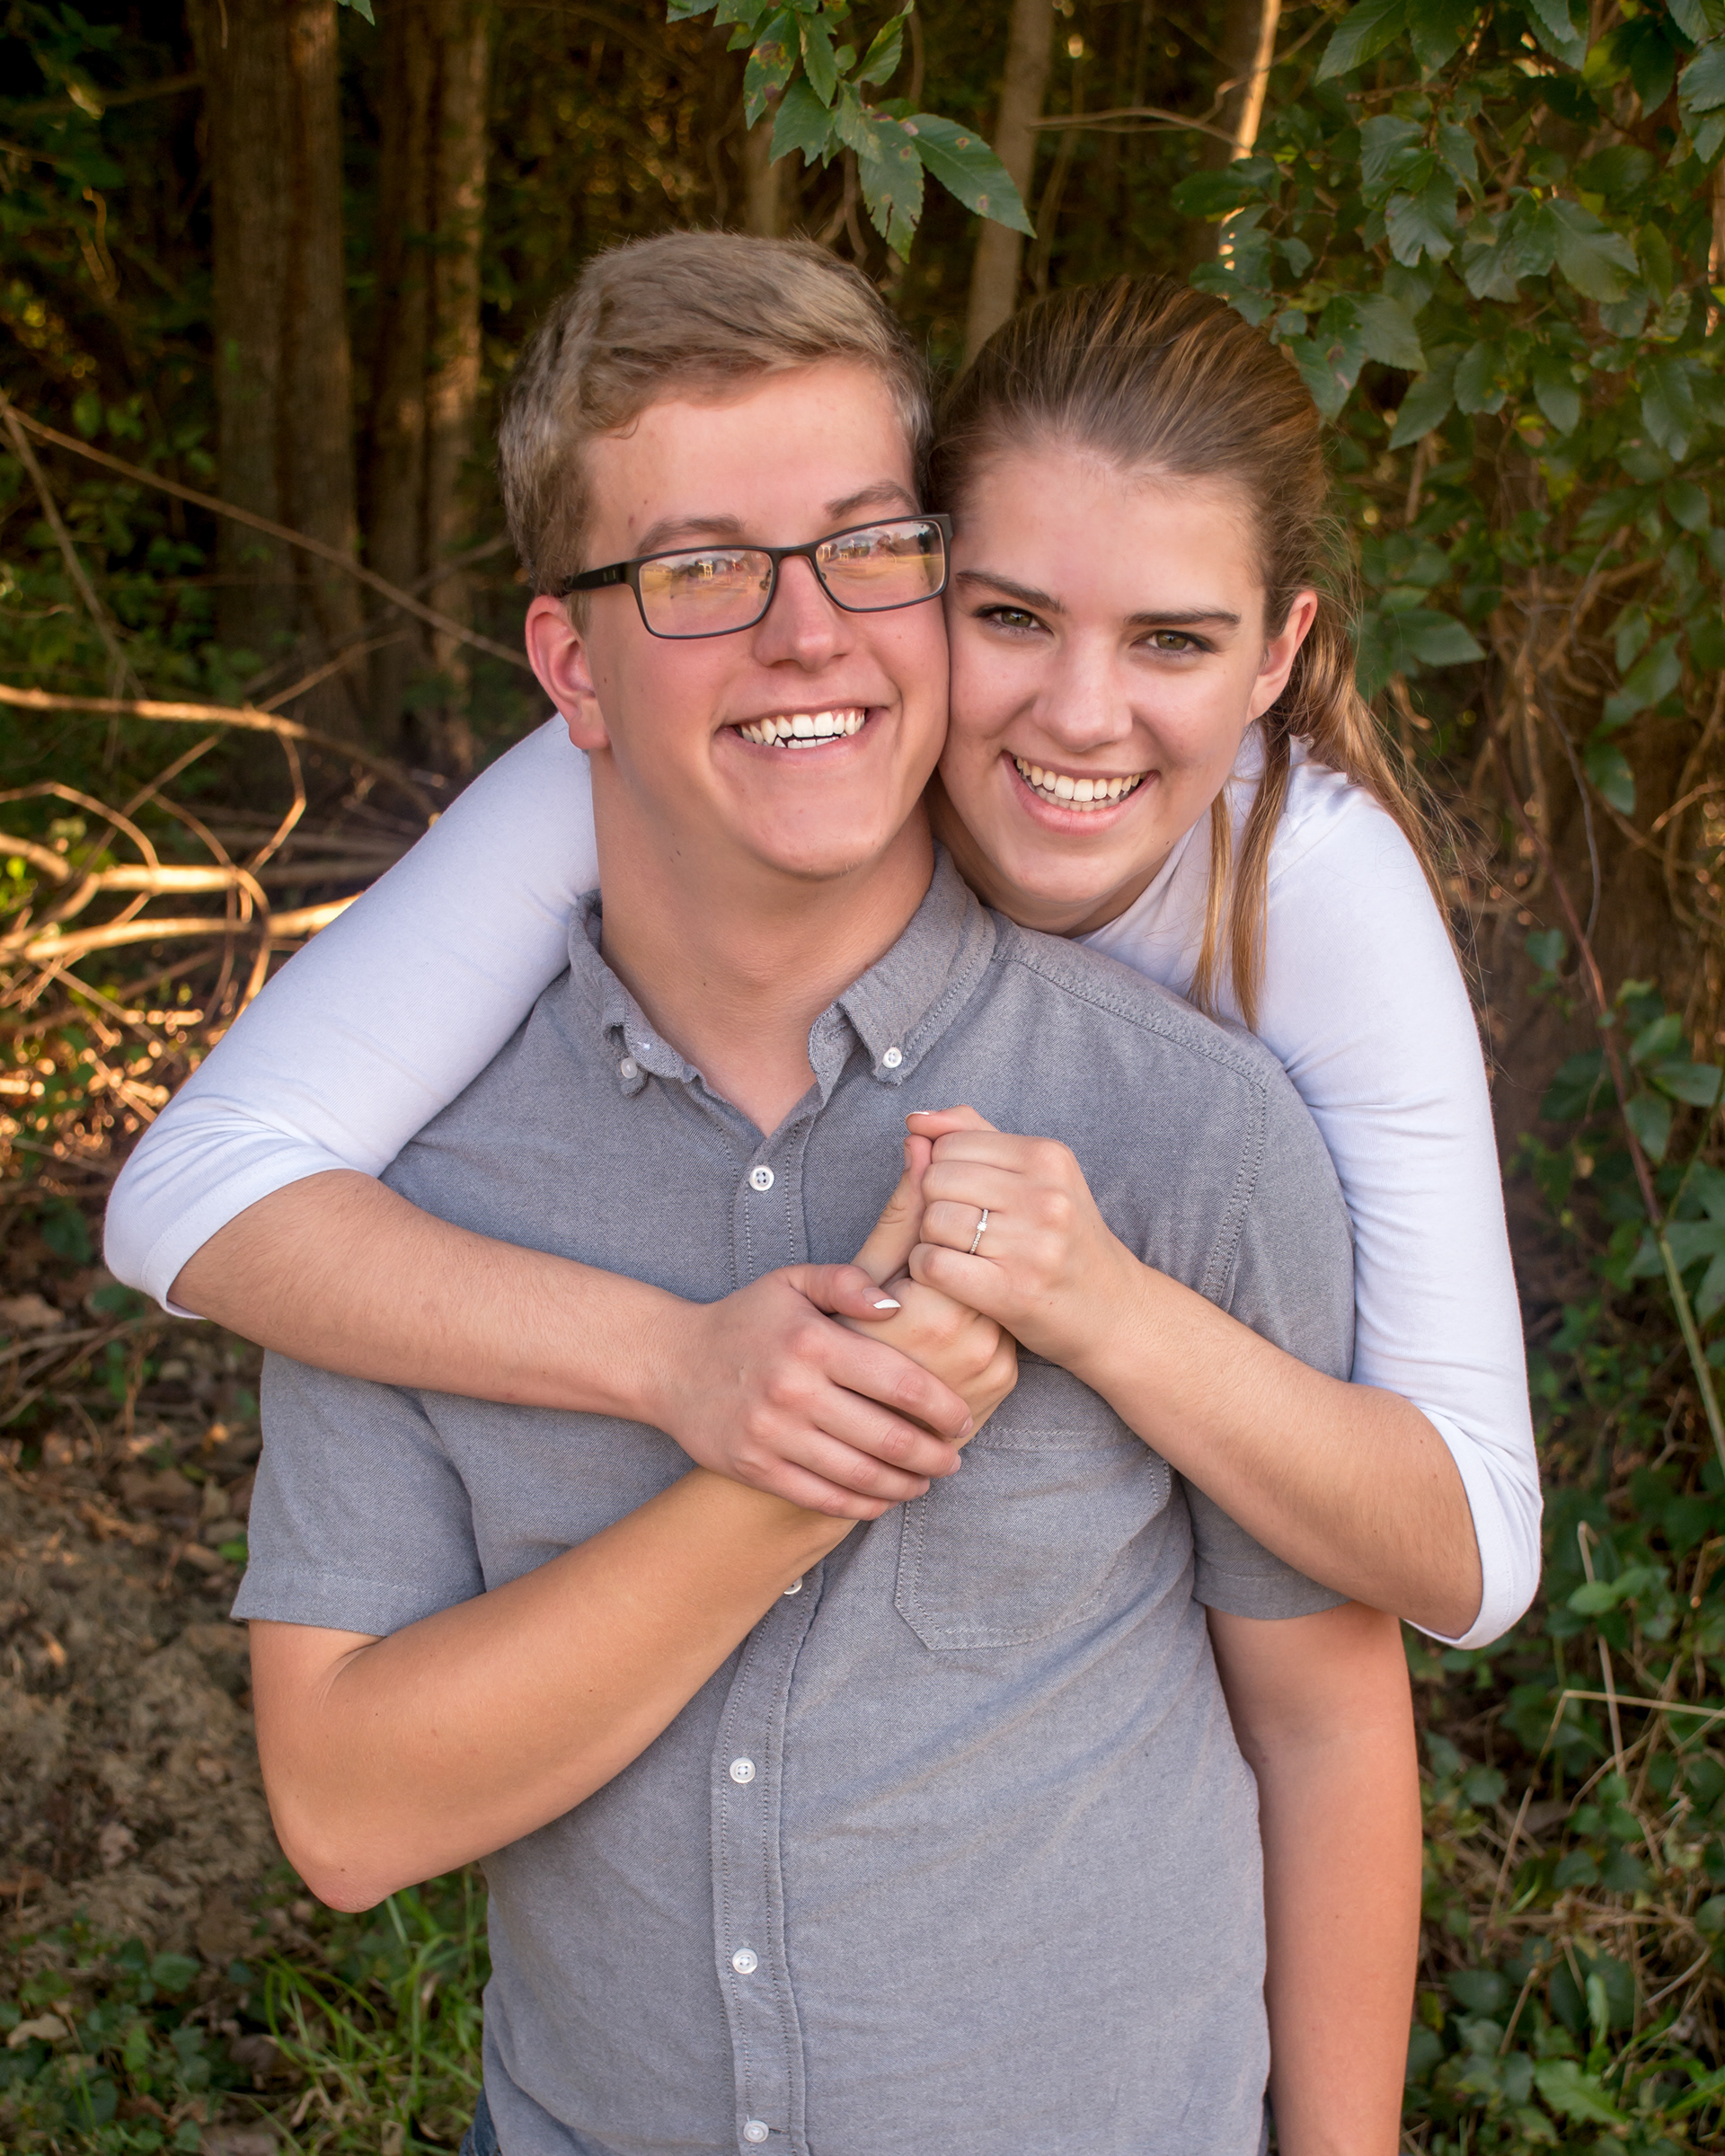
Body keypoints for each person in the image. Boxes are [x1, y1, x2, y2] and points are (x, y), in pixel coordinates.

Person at [230, 233, 1420, 2156]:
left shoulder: (1186, 1130)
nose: (808, 635)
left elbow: (1327, 1724)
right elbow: (349, 1816)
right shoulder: (408, 1212)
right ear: (572, 666)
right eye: (702, 569)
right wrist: (794, 1463)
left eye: (872, 546)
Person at [105, 256, 1538, 1648]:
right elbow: (193, 1189)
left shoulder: (1309, 881)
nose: (1081, 715)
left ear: (1275, 655)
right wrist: (670, 1359)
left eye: (1171, 641)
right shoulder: (757, 742)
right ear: (927, 582)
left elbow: (1476, 1553)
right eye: (1011, 617)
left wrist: (1109, 1311)